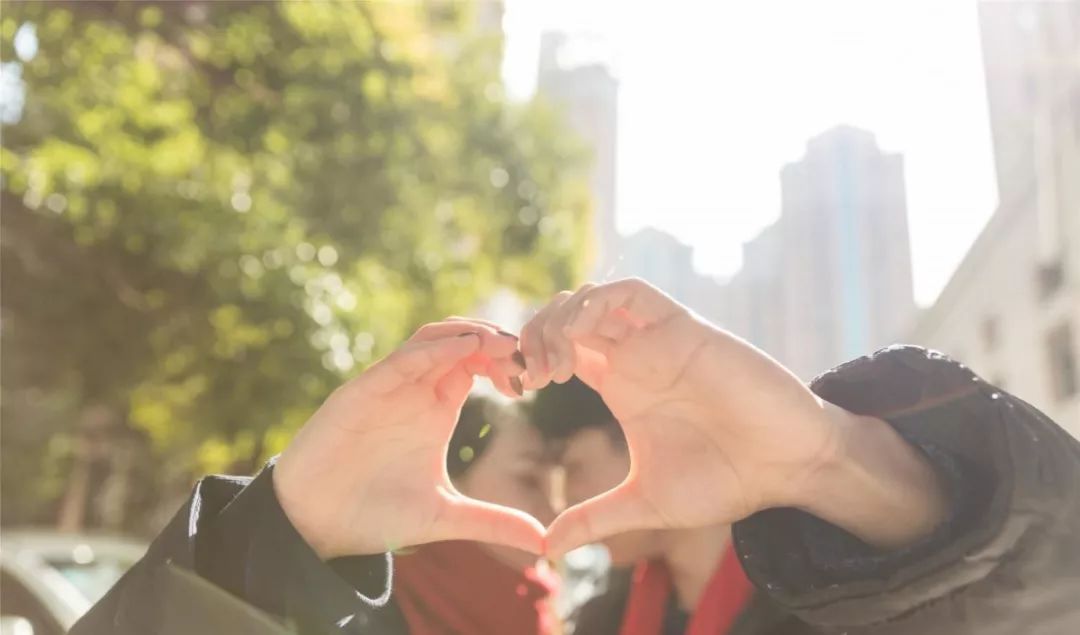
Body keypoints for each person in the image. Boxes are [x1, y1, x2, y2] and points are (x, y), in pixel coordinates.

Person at [70, 279, 1080, 634]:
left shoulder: (837, 602)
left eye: (559, 471)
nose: (550, 512)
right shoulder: (600, 621)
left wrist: (836, 463)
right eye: (530, 476)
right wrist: (279, 541)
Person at [532, 377, 765, 634]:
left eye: (575, 468)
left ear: (646, 443)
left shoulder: (804, 599)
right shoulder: (605, 619)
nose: (565, 502)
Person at [393, 395, 560, 635]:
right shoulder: (369, 596)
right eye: (529, 480)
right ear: (450, 482)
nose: (554, 510)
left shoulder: (535, 607)